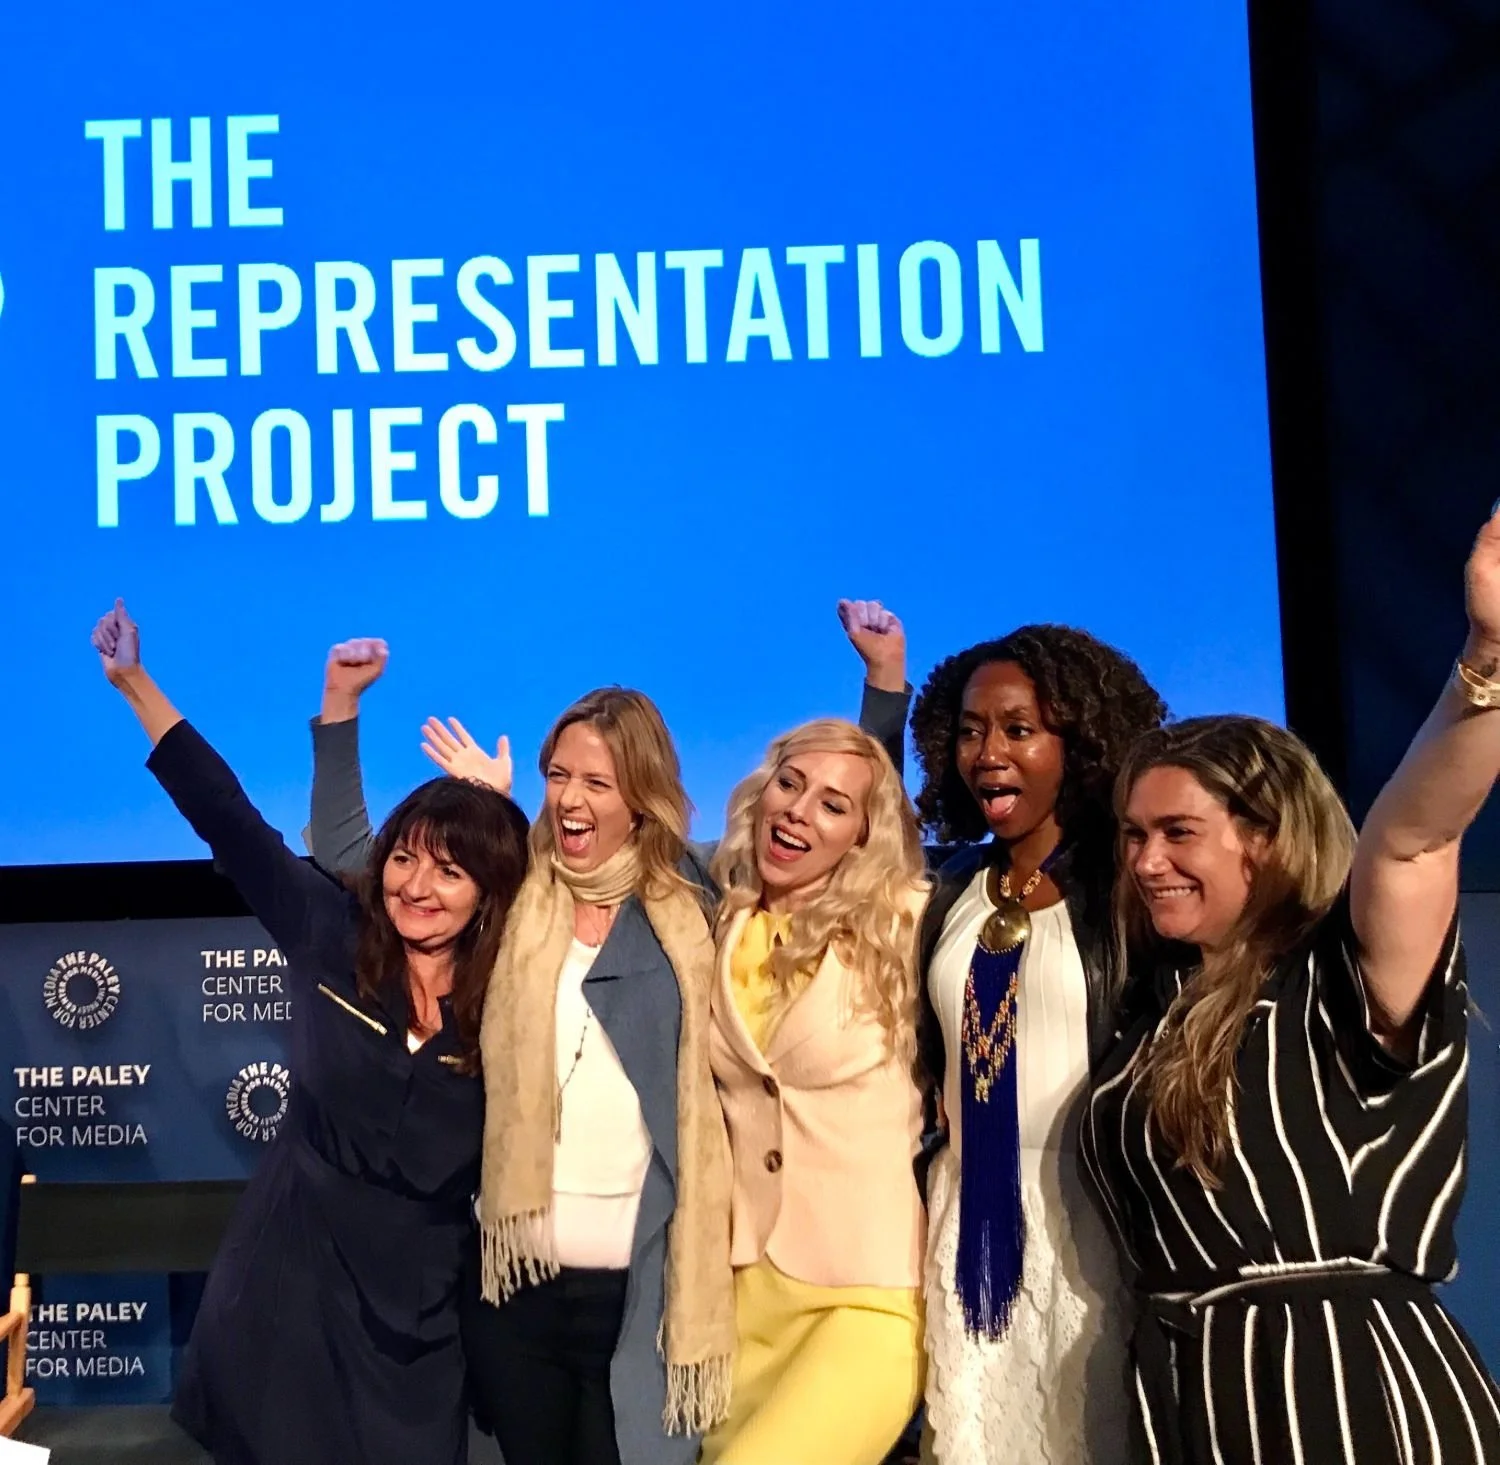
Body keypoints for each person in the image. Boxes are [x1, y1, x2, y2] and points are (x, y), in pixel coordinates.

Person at [305, 631, 908, 1465]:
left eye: (598, 781)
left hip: (647, 1295)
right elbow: (347, 855)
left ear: (642, 794)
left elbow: (847, 814)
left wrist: (883, 695)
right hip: (515, 1294)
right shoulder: (515, 881)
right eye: (559, 777)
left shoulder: (696, 893)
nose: (571, 800)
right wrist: (342, 707)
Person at [1079, 507, 1500, 1464]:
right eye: (1134, 836)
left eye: (1179, 833)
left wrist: (1487, 656)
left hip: (1343, 1391)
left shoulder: (1336, 975)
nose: (1146, 862)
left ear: (1263, 838)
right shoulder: (1152, 1013)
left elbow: (1416, 835)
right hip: (1188, 1394)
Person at [88, 601, 530, 1465]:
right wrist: (135, 682)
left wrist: (509, 806)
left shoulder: (515, 992)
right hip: (287, 1298)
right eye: (404, 857)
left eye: (450, 870)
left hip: (419, 1326)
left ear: (490, 890)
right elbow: (229, 818)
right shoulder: (332, 932)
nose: (415, 885)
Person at [894, 623, 1167, 1464]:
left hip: (1085, 1224)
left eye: (1019, 729)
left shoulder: (1126, 890)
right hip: (966, 1219)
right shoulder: (953, 887)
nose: (988, 753)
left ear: (1079, 742)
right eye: (971, 730)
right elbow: (856, 829)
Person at [700, 717, 930, 1465]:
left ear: (865, 837)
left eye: (834, 804)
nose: (798, 810)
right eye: (790, 785)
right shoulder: (717, 927)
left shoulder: (910, 926)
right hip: (740, 1298)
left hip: (865, 1297)